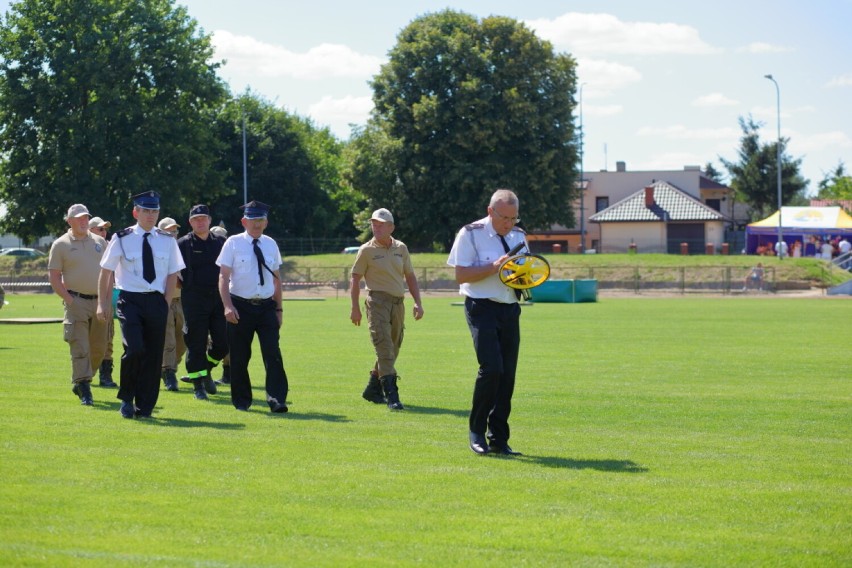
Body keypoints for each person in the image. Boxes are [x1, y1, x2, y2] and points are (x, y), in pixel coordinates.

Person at [447, 189, 527, 456]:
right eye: (505, 217)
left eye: (514, 218)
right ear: (490, 211)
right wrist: (495, 267)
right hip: (481, 306)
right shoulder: (470, 233)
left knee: (508, 376)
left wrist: (528, 276)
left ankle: (499, 439)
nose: (509, 224)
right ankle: (476, 432)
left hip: (509, 307)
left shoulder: (519, 235)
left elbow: (524, 274)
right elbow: (460, 275)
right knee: (491, 368)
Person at [97, 191, 185, 419]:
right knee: (134, 349)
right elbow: (106, 271)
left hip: (156, 300)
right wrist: (102, 303)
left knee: (154, 355)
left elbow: (173, 272)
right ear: (136, 212)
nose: (150, 215)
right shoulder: (122, 238)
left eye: (154, 211)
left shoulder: (167, 240)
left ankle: (145, 406)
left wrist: (165, 302)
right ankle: (127, 398)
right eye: (146, 211)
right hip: (130, 300)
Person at [216, 201, 289, 413]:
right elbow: (223, 277)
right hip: (240, 305)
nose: (256, 224)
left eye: (260, 220)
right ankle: (241, 401)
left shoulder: (270, 244)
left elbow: (276, 279)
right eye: (252, 220)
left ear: (266, 222)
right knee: (239, 356)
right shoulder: (233, 243)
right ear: (243, 221)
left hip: (266, 307)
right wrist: (227, 306)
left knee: (273, 353)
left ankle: (277, 399)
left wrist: (279, 309)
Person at [349, 208, 424, 410]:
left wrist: (418, 302)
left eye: (381, 224)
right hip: (377, 302)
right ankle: (392, 395)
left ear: (391, 227)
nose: (376, 227)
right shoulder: (366, 250)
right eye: (374, 224)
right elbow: (355, 278)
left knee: (393, 348)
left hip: (398, 304)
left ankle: (373, 388)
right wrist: (354, 307)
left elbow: (410, 276)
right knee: (384, 348)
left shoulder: (401, 248)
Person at [48, 204, 109, 406]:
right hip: (76, 302)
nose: (83, 221)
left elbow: (110, 273)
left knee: (99, 349)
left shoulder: (101, 242)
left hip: (99, 302)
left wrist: (105, 300)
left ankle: (83, 379)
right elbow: (54, 277)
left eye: (85, 217)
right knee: (80, 347)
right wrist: (70, 300)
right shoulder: (60, 244)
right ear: (69, 221)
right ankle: (84, 387)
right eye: (78, 218)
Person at [177, 205, 228, 400]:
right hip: (194, 298)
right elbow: (172, 270)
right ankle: (198, 385)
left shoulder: (221, 242)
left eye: (203, 218)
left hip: (218, 297)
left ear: (209, 220)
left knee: (223, 343)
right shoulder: (183, 244)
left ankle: (206, 369)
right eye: (196, 219)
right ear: (190, 222)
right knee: (196, 342)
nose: (200, 221)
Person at [157, 217, 187, 392]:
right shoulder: (156, 250)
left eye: (175, 231)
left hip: (182, 301)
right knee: (167, 339)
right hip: (163, 299)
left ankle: (167, 366)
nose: (172, 234)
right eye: (168, 231)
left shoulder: (182, 249)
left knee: (183, 339)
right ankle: (169, 373)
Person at [88, 216, 117, 387]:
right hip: (85, 298)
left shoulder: (108, 247)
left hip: (106, 298)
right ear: (90, 230)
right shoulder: (81, 247)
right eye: (100, 229)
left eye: (105, 229)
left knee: (108, 338)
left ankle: (105, 376)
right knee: (86, 339)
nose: (103, 232)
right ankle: (84, 374)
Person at [209, 224, 232, 385]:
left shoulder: (230, 256)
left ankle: (227, 374)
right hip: (208, 305)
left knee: (227, 341)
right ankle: (205, 373)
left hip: (228, 304)